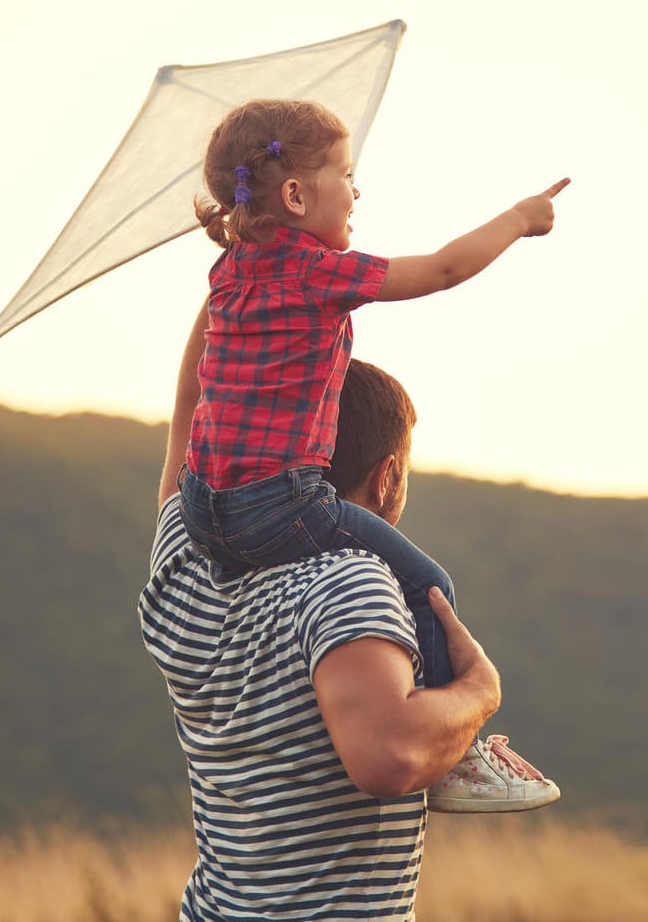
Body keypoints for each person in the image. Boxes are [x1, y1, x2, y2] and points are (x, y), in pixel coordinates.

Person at [175, 98, 567, 802]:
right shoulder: (317, 271)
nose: (358, 191)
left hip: (202, 506)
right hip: (280, 505)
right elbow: (443, 270)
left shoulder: (229, 273)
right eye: (347, 174)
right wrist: (519, 219)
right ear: (295, 195)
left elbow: (196, 387)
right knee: (431, 586)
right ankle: (453, 754)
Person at [141, 351, 557, 920]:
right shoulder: (347, 578)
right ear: (385, 477)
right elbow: (388, 758)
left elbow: (190, 408)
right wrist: (480, 692)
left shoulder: (186, 567)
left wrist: (240, 275)